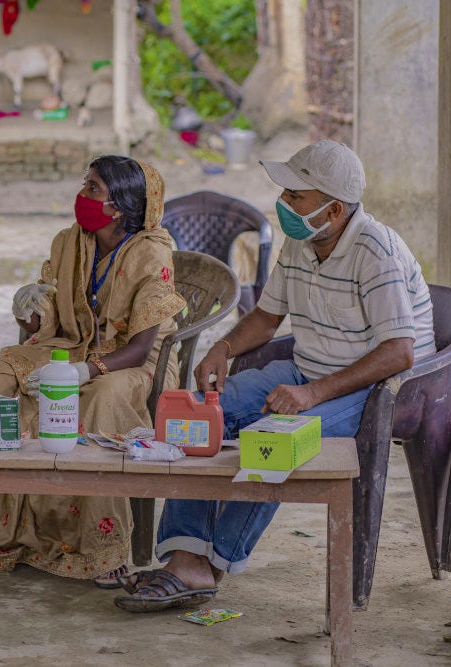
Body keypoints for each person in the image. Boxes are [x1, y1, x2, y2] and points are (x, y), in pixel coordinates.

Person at [114, 140, 436, 612]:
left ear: (334, 209)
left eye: (296, 196)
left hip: (378, 388)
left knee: (269, 441)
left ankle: (213, 565)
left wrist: (312, 393)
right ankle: (184, 556)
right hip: (309, 369)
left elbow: (399, 353)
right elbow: (266, 318)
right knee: (200, 419)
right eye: (284, 193)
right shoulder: (301, 242)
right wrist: (222, 348)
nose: (283, 204)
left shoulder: (377, 252)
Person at [0, 156, 186, 583]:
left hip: (133, 363)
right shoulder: (69, 242)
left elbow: (144, 344)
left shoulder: (152, 251)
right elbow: (46, 325)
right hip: (69, 348)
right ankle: (7, 532)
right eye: (85, 184)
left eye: (93, 188)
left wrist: (87, 371)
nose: (82, 195)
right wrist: (28, 308)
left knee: (98, 398)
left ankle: (98, 547)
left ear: (120, 206)